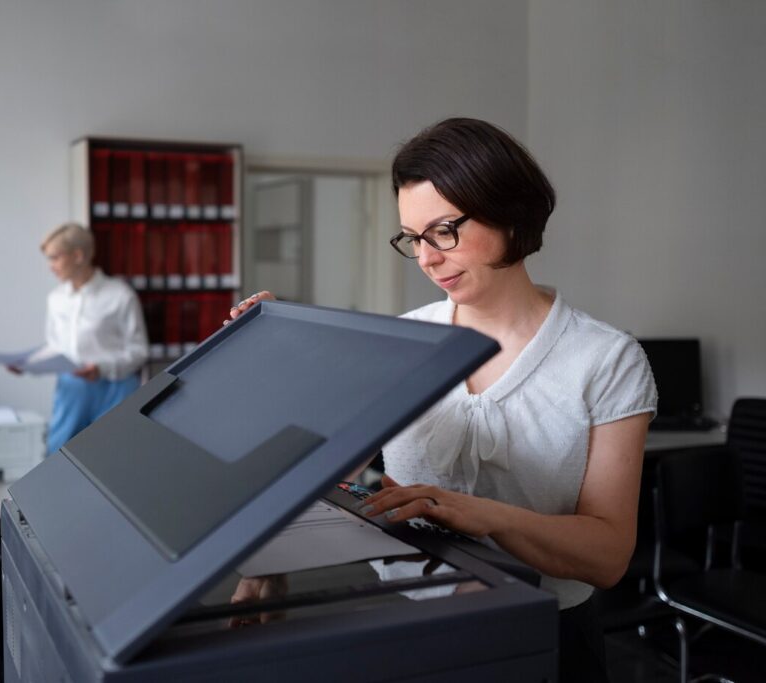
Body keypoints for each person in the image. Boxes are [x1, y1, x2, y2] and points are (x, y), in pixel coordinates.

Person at [228, 118, 656, 682]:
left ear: (509, 212)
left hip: (544, 637)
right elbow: (329, 475)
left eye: (443, 231)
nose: (427, 258)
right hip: (406, 621)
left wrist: (483, 515)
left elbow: (607, 557)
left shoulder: (606, 359)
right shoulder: (405, 341)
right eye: (413, 238)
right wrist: (267, 561)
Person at [32, 223, 148, 455]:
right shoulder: (56, 299)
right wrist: (29, 363)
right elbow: (55, 346)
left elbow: (139, 351)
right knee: (59, 455)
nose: (50, 266)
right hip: (72, 391)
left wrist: (102, 368)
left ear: (78, 256)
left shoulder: (120, 295)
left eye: (55, 258)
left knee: (113, 456)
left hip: (115, 390)